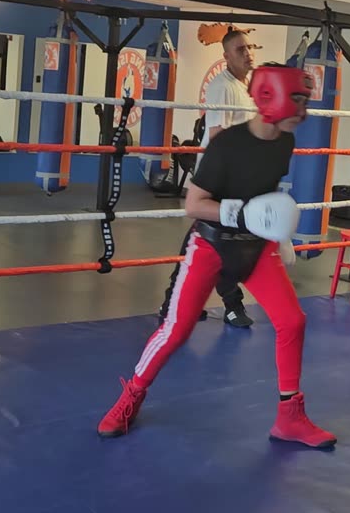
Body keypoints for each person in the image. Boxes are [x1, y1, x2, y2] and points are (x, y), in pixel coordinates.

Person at [97, 63, 335, 448]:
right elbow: (193, 204)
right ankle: (131, 397)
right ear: (271, 98)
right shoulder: (228, 143)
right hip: (210, 245)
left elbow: (263, 194)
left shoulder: (284, 141)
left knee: (291, 321)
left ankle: (290, 417)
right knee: (176, 330)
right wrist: (240, 213)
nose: (304, 112)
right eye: (298, 101)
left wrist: (277, 233)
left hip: (255, 246)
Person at [158, 29, 258, 329]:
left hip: (234, 180)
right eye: (239, 49)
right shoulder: (221, 87)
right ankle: (228, 305)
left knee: (211, 243)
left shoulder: (245, 88)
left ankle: (175, 304)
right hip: (219, 180)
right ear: (226, 56)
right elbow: (217, 136)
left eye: (248, 47)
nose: (247, 52)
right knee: (216, 242)